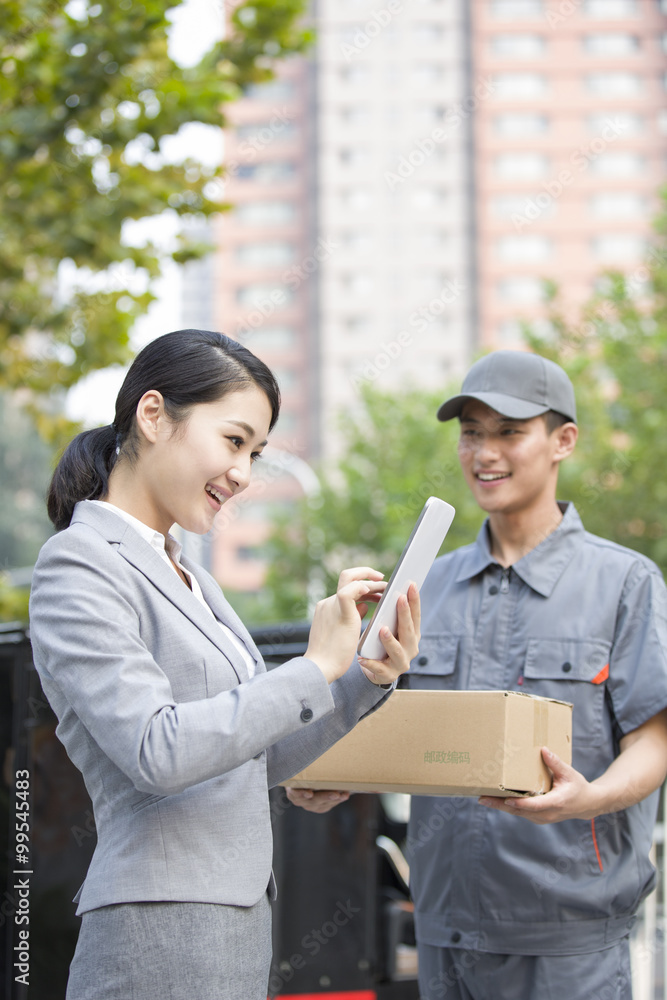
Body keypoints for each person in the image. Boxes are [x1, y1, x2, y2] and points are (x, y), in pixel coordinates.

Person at [28, 328, 420, 1000]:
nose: (243, 472)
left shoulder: (191, 577)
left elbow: (254, 755)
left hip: (233, 928)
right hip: (158, 934)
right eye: (234, 441)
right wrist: (311, 667)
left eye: (256, 452)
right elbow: (156, 750)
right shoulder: (79, 563)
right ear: (153, 415)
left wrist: (363, 676)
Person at [288, 349, 667, 1000]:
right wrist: (330, 776)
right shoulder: (425, 585)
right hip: (443, 932)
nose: (483, 452)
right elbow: (384, 729)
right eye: (470, 433)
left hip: (566, 943)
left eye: (508, 432)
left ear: (562, 442)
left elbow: (654, 742)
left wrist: (589, 798)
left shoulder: (624, 583)